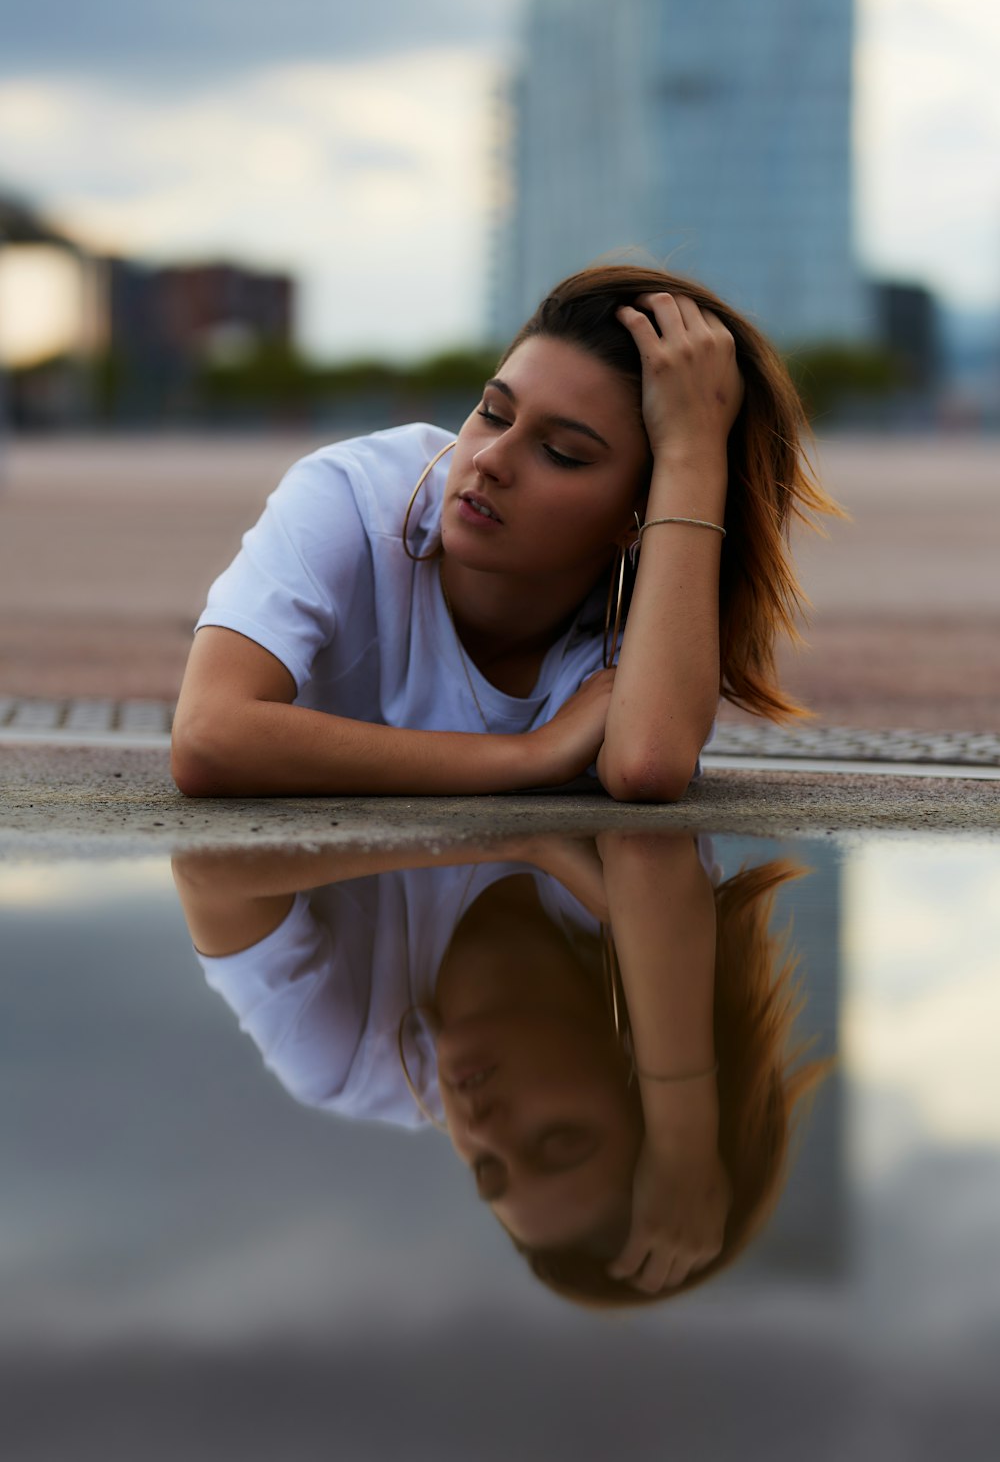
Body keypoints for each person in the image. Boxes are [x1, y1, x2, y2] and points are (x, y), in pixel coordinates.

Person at [171, 264, 838, 802]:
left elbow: (649, 765)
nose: (490, 460)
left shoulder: (650, 616)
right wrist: (529, 756)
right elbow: (208, 737)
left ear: (644, 514)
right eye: (493, 412)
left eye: (562, 453)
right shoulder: (353, 495)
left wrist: (692, 453)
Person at [173, 829, 826, 1306]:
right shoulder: (642, 934)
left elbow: (206, 862)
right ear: (644, 1064)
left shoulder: (350, 1061)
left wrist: (515, 839)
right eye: (558, 1139)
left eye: (487, 1170)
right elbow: (648, 839)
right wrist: (683, 1135)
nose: (486, 1129)